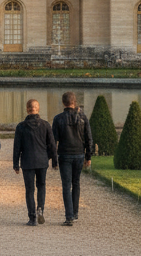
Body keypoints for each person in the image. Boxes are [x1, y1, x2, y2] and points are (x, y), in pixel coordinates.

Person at [13, 99, 58, 226]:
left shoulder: (21, 126)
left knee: (29, 190)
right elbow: (52, 145)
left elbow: (17, 147)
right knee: (41, 186)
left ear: (27, 109)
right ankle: (40, 209)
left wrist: (15, 164)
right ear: (37, 109)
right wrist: (54, 160)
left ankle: (32, 217)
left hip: (27, 161)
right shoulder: (45, 125)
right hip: (42, 160)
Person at [52, 91, 93, 227]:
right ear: (74, 102)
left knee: (66, 185)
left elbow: (54, 141)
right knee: (76, 183)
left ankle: (69, 216)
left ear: (63, 103)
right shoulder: (83, 117)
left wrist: (53, 158)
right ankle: (75, 213)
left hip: (65, 155)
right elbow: (89, 138)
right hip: (79, 154)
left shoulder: (58, 119)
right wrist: (88, 156)